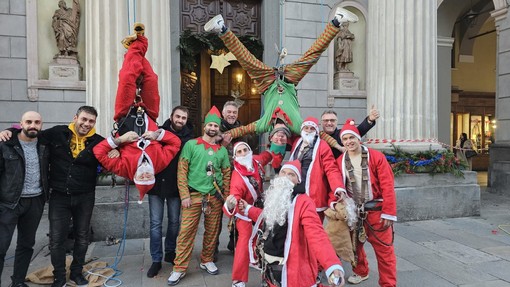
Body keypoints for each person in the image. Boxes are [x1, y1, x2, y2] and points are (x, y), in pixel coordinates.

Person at [204, 8, 358, 153]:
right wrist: (338, 146)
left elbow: (241, 130)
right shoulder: (297, 127)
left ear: (271, 138)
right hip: (289, 79)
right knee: (311, 57)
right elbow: (322, 135)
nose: (280, 138)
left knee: (246, 60)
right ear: (287, 139)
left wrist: (216, 136)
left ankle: (221, 28)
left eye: (276, 141)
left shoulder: (264, 124)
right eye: (282, 141)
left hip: (267, 83)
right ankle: (337, 20)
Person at [0, 107, 104, 287]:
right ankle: (59, 277)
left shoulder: (98, 142)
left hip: (84, 196)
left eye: (91, 121)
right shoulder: (57, 133)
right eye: (84, 119)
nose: (86, 124)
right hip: (57, 196)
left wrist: (115, 151)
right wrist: (9, 131)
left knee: (82, 236)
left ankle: (76, 273)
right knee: (56, 239)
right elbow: (29, 132)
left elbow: (113, 151)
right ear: (75, 118)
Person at [237, 160, 345, 287]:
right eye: (283, 172)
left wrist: (332, 266)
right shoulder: (275, 196)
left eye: (291, 174)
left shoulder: (304, 202)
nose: (286, 176)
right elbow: (267, 216)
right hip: (269, 268)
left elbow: (317, 234)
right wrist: (248, 209)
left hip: (289, 268)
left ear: (298, 180)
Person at [167, 106, 231, 286]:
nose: (213, 128)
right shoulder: (191, 145)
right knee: (186, 233)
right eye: (210, 124)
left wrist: (226, 198)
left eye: (215, 126)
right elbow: (182, 170)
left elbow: (226, 174)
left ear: (218, 128)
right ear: (205, 126)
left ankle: (207, 260)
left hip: (214, 198)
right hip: (193, 196)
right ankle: (179, 268)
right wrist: (184, 194)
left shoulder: (222, 151)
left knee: (212, 232)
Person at [334, 119, 397, 286]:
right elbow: (335, 185)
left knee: (384, 251)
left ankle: (388, 283)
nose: (349, 142)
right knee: (355, 247)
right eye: (345, 139)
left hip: (376, 210)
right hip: (354, 212)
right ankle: (361, 271)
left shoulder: (376, 157)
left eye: (351, 138)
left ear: (358, 138)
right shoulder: (339, 160)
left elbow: (387, 185)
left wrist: (389, 212)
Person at [0, 112, 49, 287]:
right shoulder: (6, 144)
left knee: (26, 245)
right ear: (20, 124)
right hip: (9, 203)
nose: (32, 125)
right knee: (1, 246)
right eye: (28, 122)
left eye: (37, 122)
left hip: (35, 201)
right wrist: (6, 131)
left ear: (41, 125)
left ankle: (18, 282)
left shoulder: (45, 144)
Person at [145, 106, 194, 278]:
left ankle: (170, 252)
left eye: (183, 118)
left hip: (176, 186)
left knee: (174, 222)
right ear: (171, 116)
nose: (180, 120)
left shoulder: (189, 137)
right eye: (178, 116)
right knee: (155, 224)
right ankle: (156, 259)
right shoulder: (157, 132)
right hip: (157, 184)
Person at [223, 142, 274, 287]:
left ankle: (258, 260)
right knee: (243, 244)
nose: (244, 153)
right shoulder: (237, 177)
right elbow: (233, 199)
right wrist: (231, 204)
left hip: (259, 209)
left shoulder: (256, 161)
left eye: (246, 150)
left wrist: (276, 144)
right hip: (244, 213)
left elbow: (266, 156)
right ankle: (238, 280)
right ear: (235, 157)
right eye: (239, 152)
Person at [289, 117, 346, 221]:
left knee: (313, 228)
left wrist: (338, 187)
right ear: (302, 130)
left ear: (316, 131)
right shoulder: (297, 143)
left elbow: (331, 169)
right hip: (294, 193)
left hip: (313, 193)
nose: (309, 131)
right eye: (306, 128)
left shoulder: (322, 146)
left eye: (312, 128)